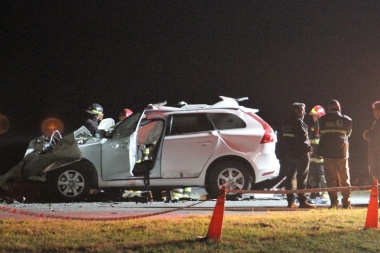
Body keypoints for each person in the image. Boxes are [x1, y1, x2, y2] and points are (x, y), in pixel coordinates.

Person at [318, 99, 353, 209]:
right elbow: (348, 134)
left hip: (328, 154)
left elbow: (321, 135)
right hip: (342, 153)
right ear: (339, 108)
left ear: (329, 109)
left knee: (330, 178)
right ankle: (346, 203)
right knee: (344, 178)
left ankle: (333, 203)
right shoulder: (347, 120)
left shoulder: (322, 120)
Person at [282, 102, 315, 208]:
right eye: (302, 110)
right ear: (296, 111)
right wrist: (309, 149)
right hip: (301, 155)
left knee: (290, 178)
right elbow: (303, 139)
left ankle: (290, 201)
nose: (304, 112)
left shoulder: (286, 122)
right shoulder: (298, 122)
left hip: (289, 154)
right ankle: (302, 201)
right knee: (302, 178)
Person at [307, 105, 328, 199]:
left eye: (315, 115)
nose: (313, 117)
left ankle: (325, 193)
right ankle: (314, 192)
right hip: (312, 156)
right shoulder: (312, 126)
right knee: (312, 175)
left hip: (320, 156)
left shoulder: (323, 126)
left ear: (320, 115)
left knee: (322, 175)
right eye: (312, 115)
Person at [363, 100, 380, 202]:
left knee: (377, 176)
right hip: (376, 154)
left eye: (374, 110)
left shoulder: (378, 122)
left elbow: (375, 138)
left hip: (377, 155)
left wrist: (366, 135)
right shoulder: (376, 122)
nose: (373, 112)